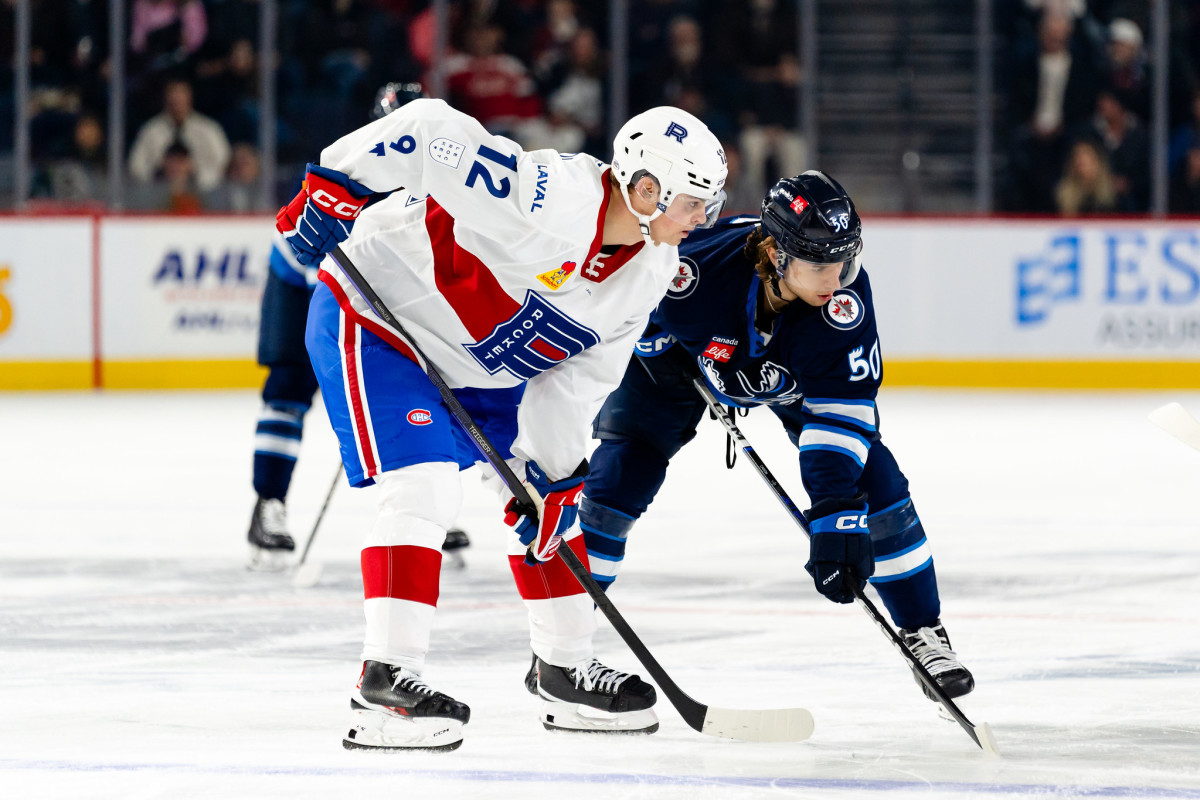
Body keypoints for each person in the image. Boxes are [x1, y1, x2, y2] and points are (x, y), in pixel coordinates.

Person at [276, 99, 728, 750]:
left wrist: (550, 474)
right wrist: (336, 186)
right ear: (647, 190)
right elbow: (428, 129)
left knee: (551, 507)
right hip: (379, 320)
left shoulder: (650, 271)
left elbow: (573, 382)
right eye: (695, 203)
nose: (701, 220)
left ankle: (564, 672)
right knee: (426, 489)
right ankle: (384, 684)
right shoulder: (550, 200)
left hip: (483, 364)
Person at [579, 171, 975, 704]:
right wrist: (660, 344)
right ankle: (564, 641)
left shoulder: (843, 303)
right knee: (619, 477)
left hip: (789, 383)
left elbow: (841, 415)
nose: (834, 278)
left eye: (843, 260)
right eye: (818, 263)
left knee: (876, 488)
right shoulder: (690, 270)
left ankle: (925, 631)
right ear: (774, 250)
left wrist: (836, 511)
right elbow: (607, 309)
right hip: (673, 364)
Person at [246, 82, 470, 571]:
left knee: (429, 387)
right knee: (287, 387)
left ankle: (428, 501)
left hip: (374, 292)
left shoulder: (447, 181)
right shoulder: (353, 166)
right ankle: (268, 506)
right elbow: (307, 251)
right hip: (302, 282)